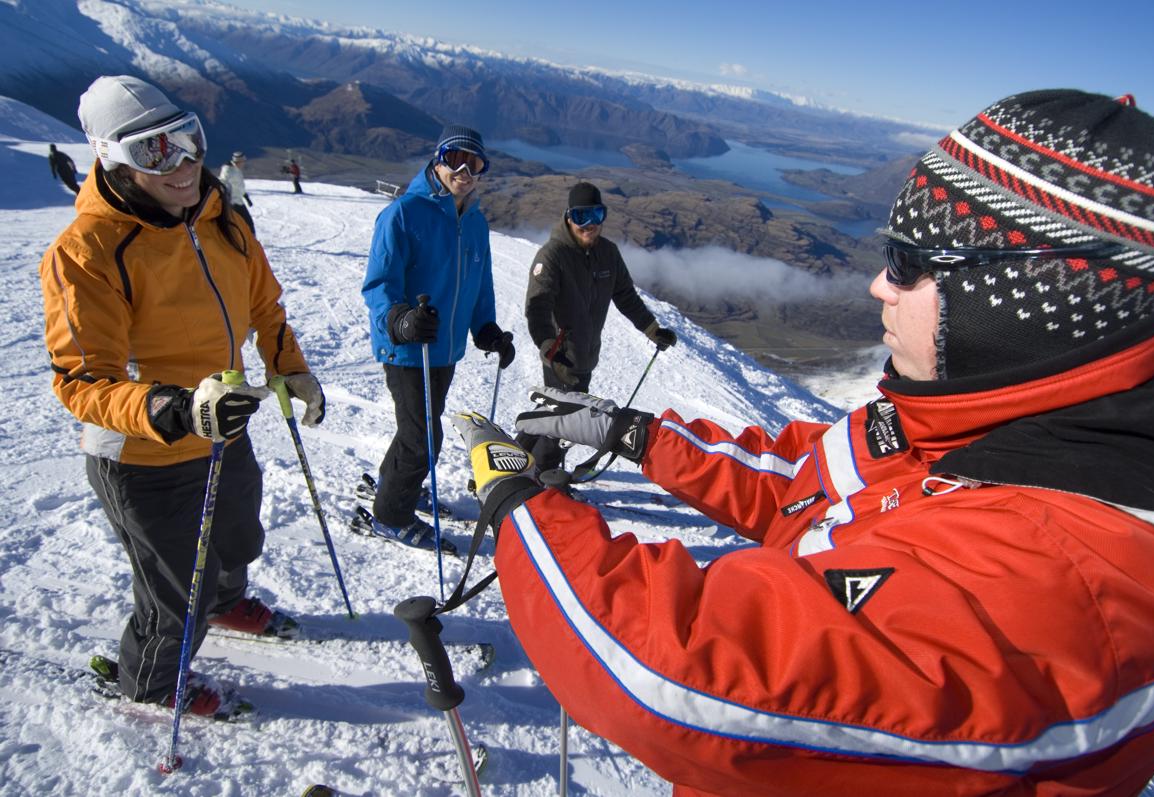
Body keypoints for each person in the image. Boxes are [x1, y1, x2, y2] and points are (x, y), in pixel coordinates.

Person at [452, 90, 1154, 795]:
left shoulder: (1067, 577)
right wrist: (633, 432)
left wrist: (521, 504)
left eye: (909, 263)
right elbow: (797, 474)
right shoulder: (971, 419)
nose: (879, 284)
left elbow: (675, 675)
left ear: (1020, 303)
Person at [39, 76, 326, 719]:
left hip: (222, 426)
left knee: (237, 538)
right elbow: (83, 381)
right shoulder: (87, 252)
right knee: (175, 593)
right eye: (156, 152)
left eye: (188, 139)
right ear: (113, 159)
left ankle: (227, 605)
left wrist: (291, 369)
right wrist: (171, 409)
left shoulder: (218, 213)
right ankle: (150, 682)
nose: (184, 163)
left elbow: (263, 303)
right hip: (143, 457)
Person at [361, 124, 515, 549]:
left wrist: (486, 330)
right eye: (454, 159)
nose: (464, 170)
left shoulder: (476, 223)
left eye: (475, 162)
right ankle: (391, 515)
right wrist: (400, 320)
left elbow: (479, 284)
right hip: (409, 346)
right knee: (423, 437)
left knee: (418, 430)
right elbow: (378, 286)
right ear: (437, 159)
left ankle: (398, 486)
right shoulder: (403, 214)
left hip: (445, 349)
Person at [516, 181, 676, 477]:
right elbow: (537, 307)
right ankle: (542, 485)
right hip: (559, 358)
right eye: (581, 217)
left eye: (597, 216)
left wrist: (652, 330)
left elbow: (626, 295)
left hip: (585, 355)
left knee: (549, 416)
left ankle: (509, 464)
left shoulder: (608, 253)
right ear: (568, 217)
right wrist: (548, 346)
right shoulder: (553, 256)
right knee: (562, 426)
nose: (589, 225)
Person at [218, 151, 254, 234]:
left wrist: (246, 197)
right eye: (243, 161)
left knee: (247, 223)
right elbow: (223, 181)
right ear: (238, 161)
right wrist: (225, 196)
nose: (244, 163)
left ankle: (250, 242)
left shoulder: (238, 170)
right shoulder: (228, 169)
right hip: (232, 202)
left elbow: (239, 187)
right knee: (244, 223)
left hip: (239, 201)